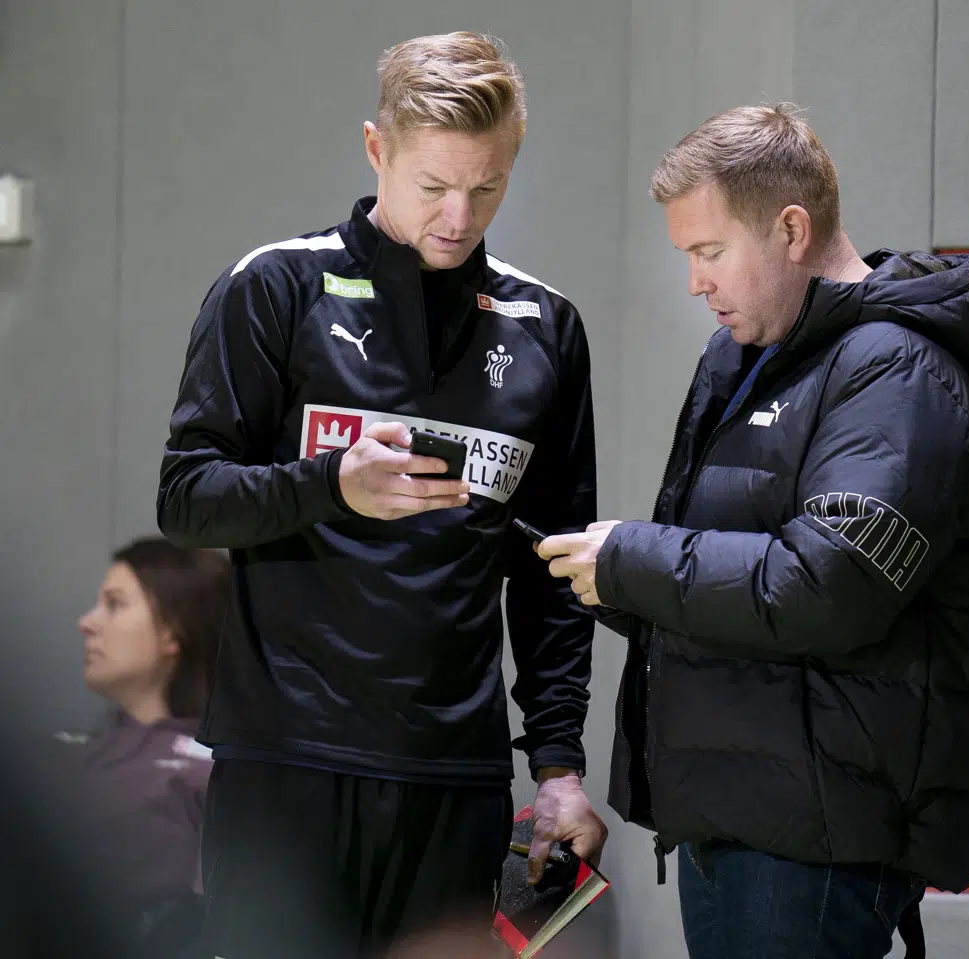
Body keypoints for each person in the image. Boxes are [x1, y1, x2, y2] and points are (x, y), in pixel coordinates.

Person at [156, 31, 606, 959]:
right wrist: (330, 483)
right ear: (375, 149)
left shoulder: (546, 327)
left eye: (486, 187)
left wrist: (557, 763)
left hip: (457, 774)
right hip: (288, 762)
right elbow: (188, 497)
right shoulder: (276, 286)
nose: (458, 213)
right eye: (433, 184)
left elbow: (553, 571)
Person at [540, 104, 969, 959]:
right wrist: (604, 576)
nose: (696, 282)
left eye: (709, 251)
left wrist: (633, 560)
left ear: (791, 228)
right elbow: (735, 577)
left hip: (818, 837)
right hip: (738, 812)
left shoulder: (897, 370)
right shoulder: (745, 360)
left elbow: (828, 588)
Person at [46, 537, 227, 956]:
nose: (87, 623)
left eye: (114, 603)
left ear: (174, 630)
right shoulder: (54, 754)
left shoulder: (216, 777)